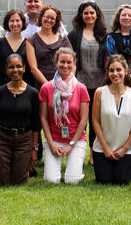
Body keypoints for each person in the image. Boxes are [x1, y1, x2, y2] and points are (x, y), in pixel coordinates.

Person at [39, 47, 90, 184]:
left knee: (71, 181)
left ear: (74, 64)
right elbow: (43, 117)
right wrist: (50, 143)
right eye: (62, 62)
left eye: (69, 62)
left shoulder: (80, 88)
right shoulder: (47, 88)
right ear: (56, 63)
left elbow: (84, 119)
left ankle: (77, 170)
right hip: (54, 139)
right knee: (51, 180)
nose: (65, 65)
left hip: (75, 139)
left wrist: (71, 145)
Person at [0, 54, 40, 186]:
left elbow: (36, 124)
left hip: (24, 140)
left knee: (19, 182)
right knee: (2, 182)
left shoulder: (32, 93)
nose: (15, 70)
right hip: (1, 139)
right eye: (11, 67)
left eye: (19, 66)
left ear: (24, 68)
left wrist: (34, 149)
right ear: (6, 70)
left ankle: (26, 170)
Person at [91, 55, 131, 185]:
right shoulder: (100, 92)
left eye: (118, 70)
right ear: (107, 73)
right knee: (104, 181)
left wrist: (124, 148)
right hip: (102, 149)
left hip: (127, 150)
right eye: (111, 70)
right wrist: (106, 148)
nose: (115, 74)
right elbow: (95, 121)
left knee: (122, 181)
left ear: (126, 71)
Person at [68, 0, 107, 165]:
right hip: (80, 85)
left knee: (95, 120)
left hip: (99, 85)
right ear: (81, 15)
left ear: (97, 15)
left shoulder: (104, 35)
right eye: (86, 13)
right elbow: (69, 58)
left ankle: (93, 154)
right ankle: (77, 154)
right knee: (80, 121)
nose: (89, 16)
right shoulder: (74, 34)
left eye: (92, 12)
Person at [0, 9, 34, 99]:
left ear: (23, 22)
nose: (15, 24)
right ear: (7, 23)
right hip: (2, 88)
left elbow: (32, 68)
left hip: (23, 90)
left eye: (17, 20)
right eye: (12, 21)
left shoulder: (29, 43)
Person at [26, 5, 72, 87]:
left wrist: (68, 81)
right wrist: (49, 86)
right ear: (41, 17)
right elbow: (33, 68)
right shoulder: (31, 40)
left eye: (52, 18)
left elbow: (73, 62)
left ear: (56, 21)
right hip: (42, 85)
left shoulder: (63, 38)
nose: (49, 20)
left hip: (64, 84)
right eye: (47, 17)